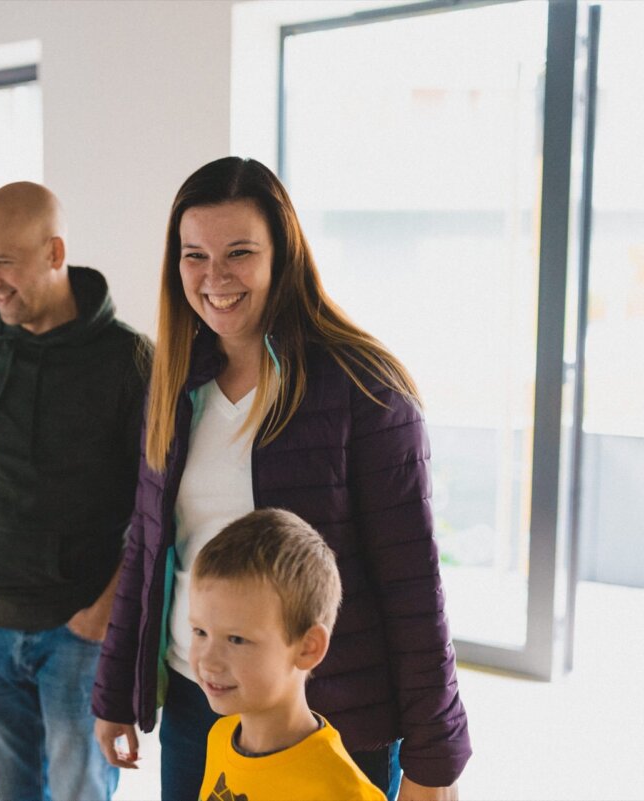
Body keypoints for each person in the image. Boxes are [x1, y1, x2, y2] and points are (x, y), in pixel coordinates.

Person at [92, 156, 471, 801]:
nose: (215, 277)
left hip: (333, 713)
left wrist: (435, 763)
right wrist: (115, 689)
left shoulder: (364, 389)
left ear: (283, 256)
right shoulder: (172, 385)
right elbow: (148, 547)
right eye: (194, 255)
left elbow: (412, 585)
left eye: (239, 252)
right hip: (199, 703)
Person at [0, 181, 150, 801]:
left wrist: (109, 608)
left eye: (3, 261)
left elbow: (155, 503)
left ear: (55, 252)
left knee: (80, 793)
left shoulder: (128, 361)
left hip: (81, 626)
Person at [190, 508, 384, 801]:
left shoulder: (342, 793)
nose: (208, 660)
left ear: (308, 648)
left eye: (237, 639)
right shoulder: (220, 736)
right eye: (200, 632)